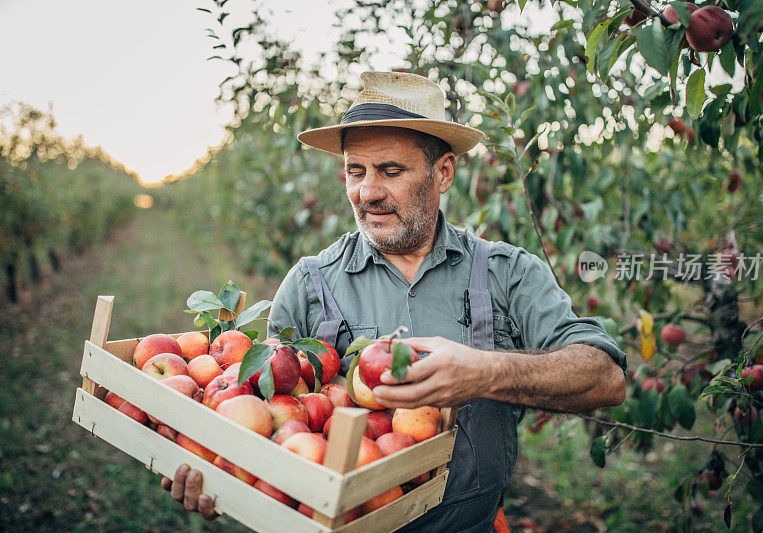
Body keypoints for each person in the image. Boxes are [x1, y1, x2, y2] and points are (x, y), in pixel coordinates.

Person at [163, 71, 627, 532]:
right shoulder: (310, 284)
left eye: (390, 171)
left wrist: (485, 372)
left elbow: (606, 379)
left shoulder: (508, 273)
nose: (367, 193)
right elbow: (267, 425)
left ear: (443, 173)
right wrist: (221, 476)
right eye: (356, 172)